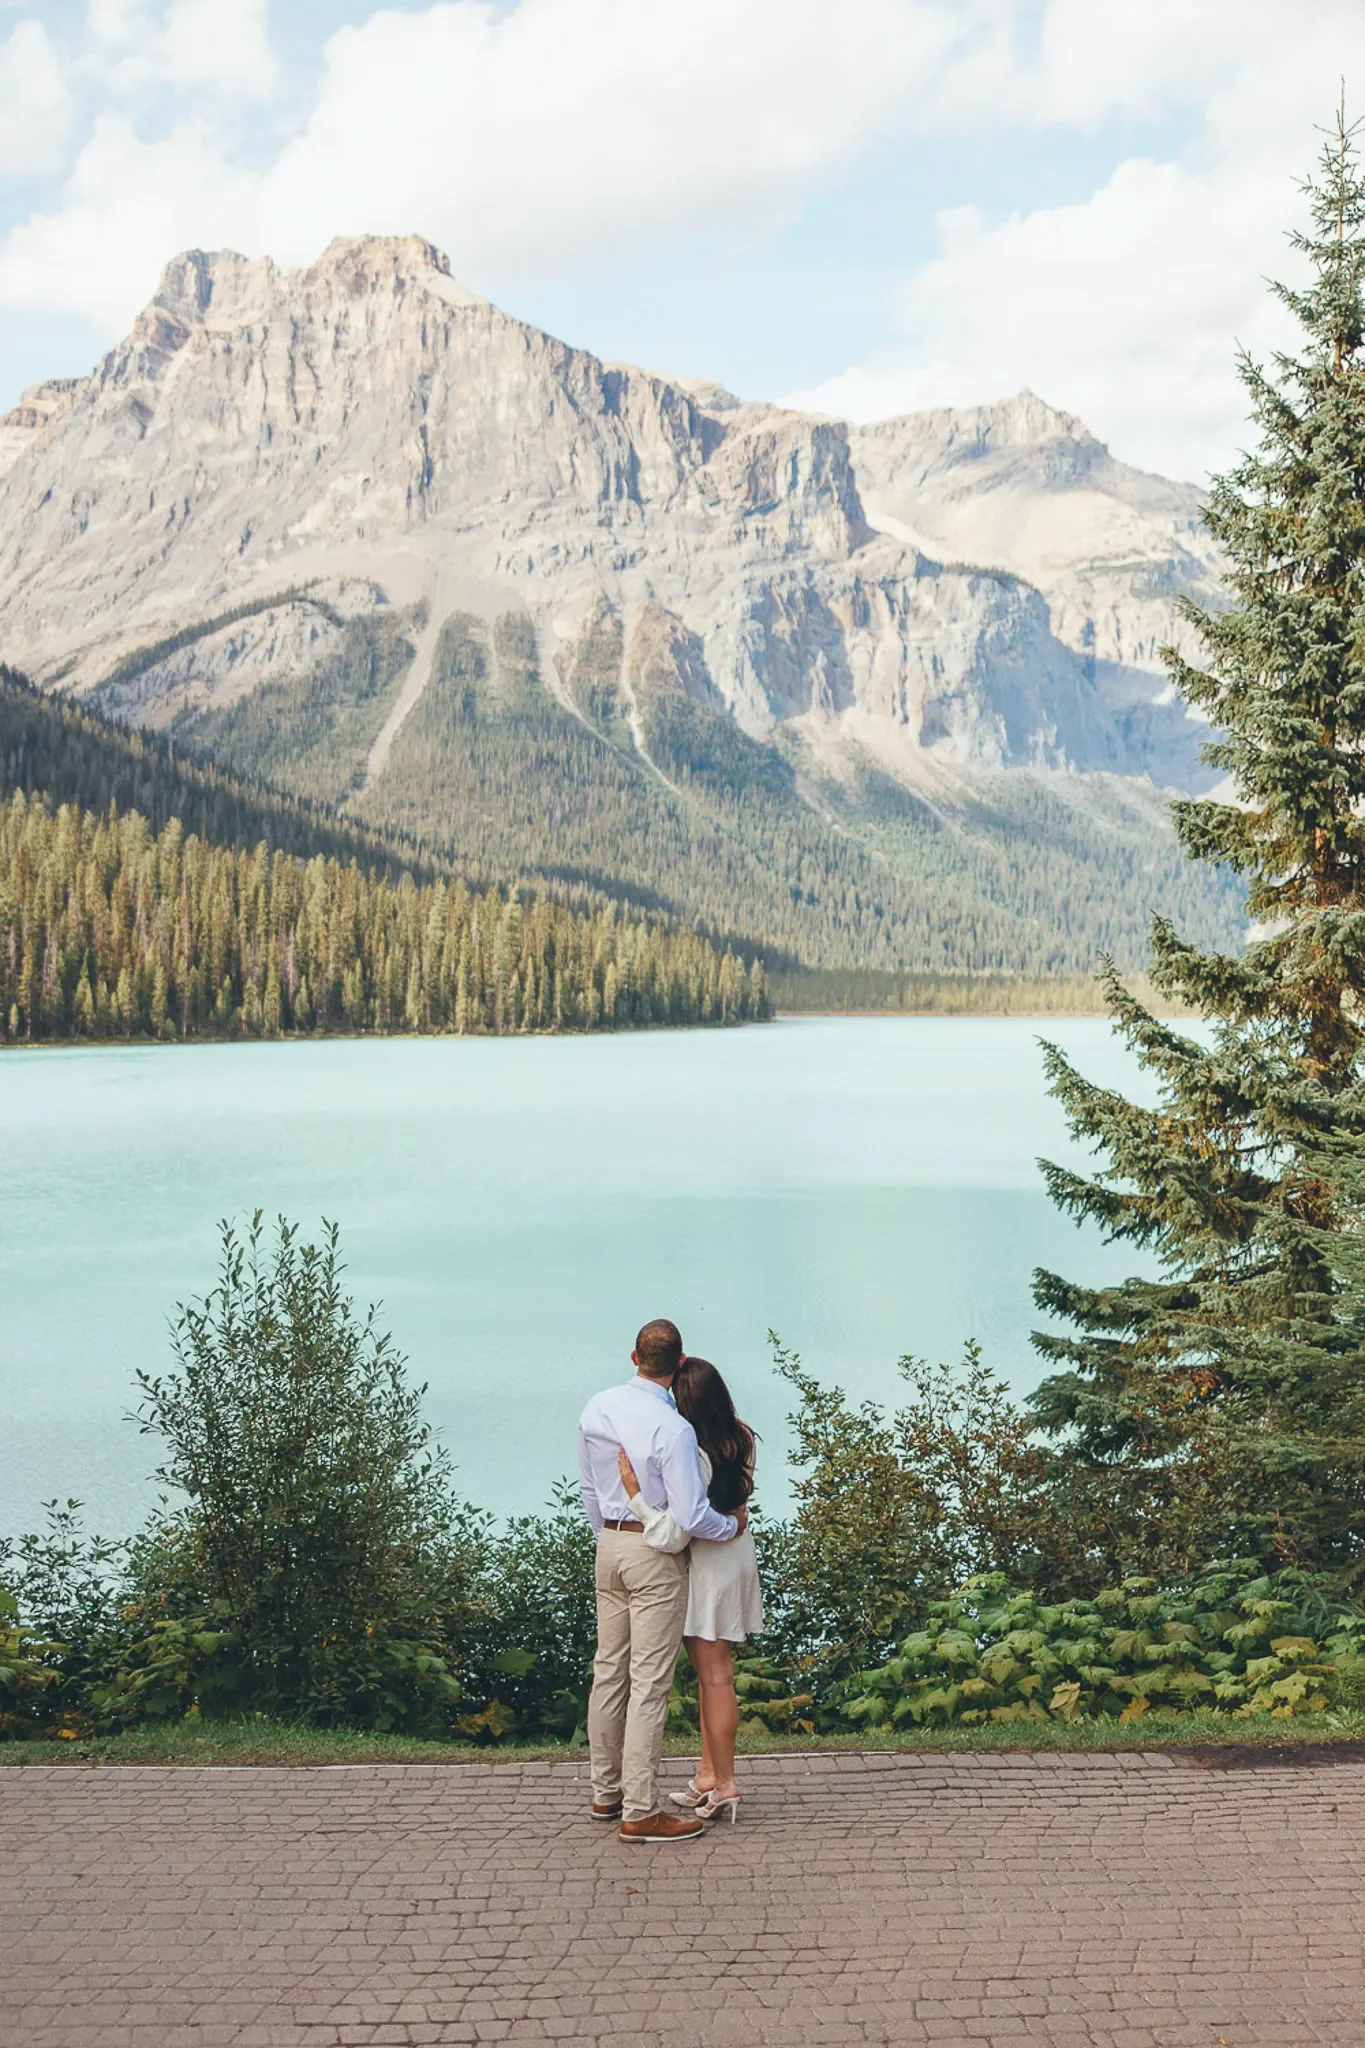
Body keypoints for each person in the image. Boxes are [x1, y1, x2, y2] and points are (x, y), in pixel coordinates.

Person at [577, 1317, 747, 1843]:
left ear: (634, 1357)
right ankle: (641, 1809)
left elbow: (587, 1486)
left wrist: (608, 1532)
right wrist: (731, 1527)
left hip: (610, 1543)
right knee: (650, 1684)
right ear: (678, 1364)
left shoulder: (597, 1407)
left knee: (609, 1673)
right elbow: (693, 1516)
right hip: (653, 1556)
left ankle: (605, 1794)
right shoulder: (674, 1429)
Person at [617, 1355, 762, 1826]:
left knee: (715, 1673)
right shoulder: (741, 1436)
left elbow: (680, 1527)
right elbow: (736, 1502)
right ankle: (706, 1772)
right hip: (736, 1555)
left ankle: (725, 1783)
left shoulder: (690, 1450)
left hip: (706, 1562)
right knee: (709, 1673)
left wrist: (636, 1496)